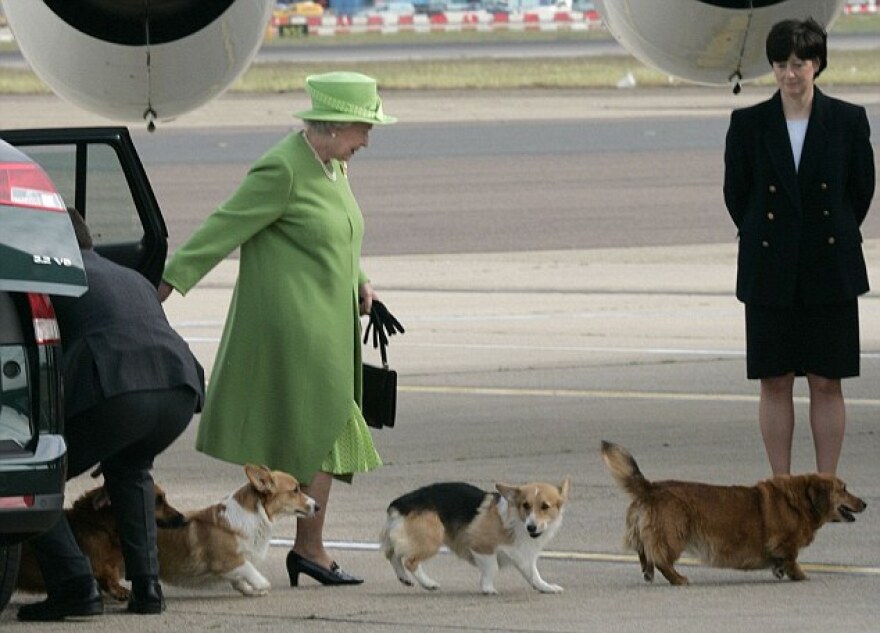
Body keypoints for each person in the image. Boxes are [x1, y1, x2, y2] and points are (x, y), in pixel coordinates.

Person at [157, 71, 396, 587]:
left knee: (316, 438)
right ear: (332, 127)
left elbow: (342, 234)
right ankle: (304, 548)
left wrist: (362, 281)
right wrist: (164, 287)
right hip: (295, 330)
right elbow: (222, 228)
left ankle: (299, 546)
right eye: (362, 128)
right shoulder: (282, 169)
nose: (367, 141)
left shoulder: (333, 168)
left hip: (331, 325)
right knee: (330, 434)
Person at [18, 207, 205, 621]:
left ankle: (74, 587)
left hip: (117, 391)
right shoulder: (129, 275)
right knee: (131, 470)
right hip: (178, 391)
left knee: (30, 478)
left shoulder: (49, 276)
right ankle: (148, 588)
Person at [723, 18, 875, 475]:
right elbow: (737, 195)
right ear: (772, 67)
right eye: (781, 63)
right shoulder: (748, 124)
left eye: (800, 63)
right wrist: (769, 237)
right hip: (770, 268)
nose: (790, 73)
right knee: (775, 381)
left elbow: (860, 191)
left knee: (828, 382)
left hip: (830, 267)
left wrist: (828, 235)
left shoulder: (848, 120)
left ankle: (826, 485)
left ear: (817, 65)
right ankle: (782, 484)